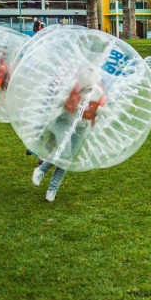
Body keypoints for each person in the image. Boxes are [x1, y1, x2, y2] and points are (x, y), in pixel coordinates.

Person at [31, 68, 106, 202]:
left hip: (81, 126)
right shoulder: (73, 86)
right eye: (85, 76)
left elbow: (101, 110)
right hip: (64, 121)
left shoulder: (97, 92)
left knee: (68, 158)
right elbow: (58, 102)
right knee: (65, 153)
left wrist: (99, 110)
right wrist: (75, 100)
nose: (88, 80)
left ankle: (52, 188)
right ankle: (41, 170)